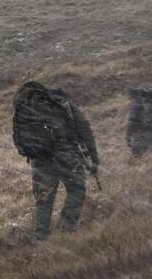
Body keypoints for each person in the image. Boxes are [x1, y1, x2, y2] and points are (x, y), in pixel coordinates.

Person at [11, 83, 99, 240]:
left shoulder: (29, 108)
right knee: (76, 189)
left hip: (40, 158)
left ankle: (40, 235)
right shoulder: (64, 104)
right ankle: (66, 228)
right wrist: (94, 158)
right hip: (66, 155)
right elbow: (85, 129)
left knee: (43, 198)